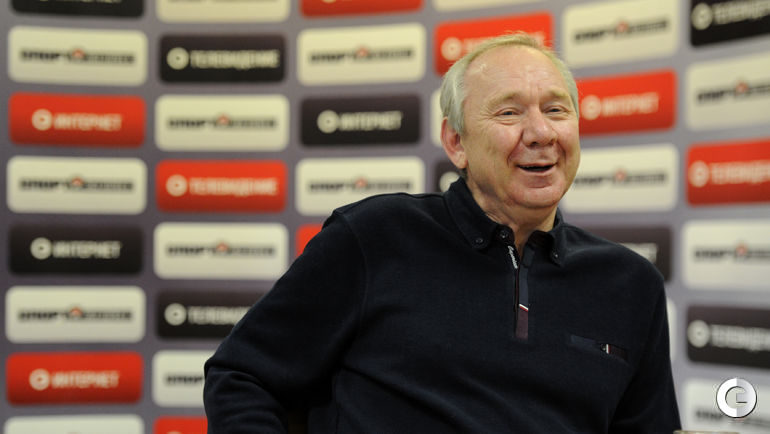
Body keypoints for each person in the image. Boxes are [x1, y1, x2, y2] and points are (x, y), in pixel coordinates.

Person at [204, 33, 681, 433]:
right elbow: (243, 375)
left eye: (556, 110)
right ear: (456, 142)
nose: (541, 132)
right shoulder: (374, 237)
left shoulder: (631, 284)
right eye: (509, 113)